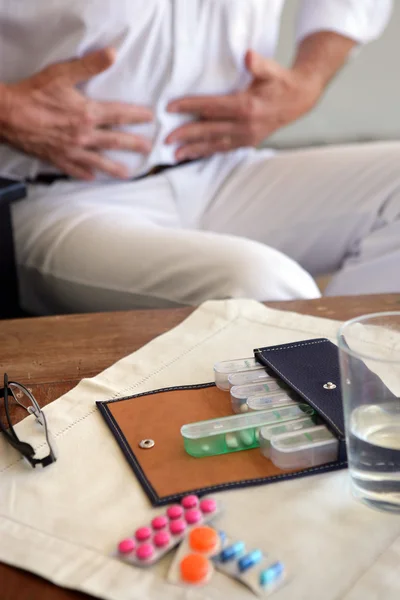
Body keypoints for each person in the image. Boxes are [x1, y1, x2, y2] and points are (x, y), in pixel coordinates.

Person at [0, 0, 398, 315]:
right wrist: (9, 111)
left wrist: (309, 79)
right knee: (264, 289)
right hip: (54, 197)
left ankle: (357, 398)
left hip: (225, 171)